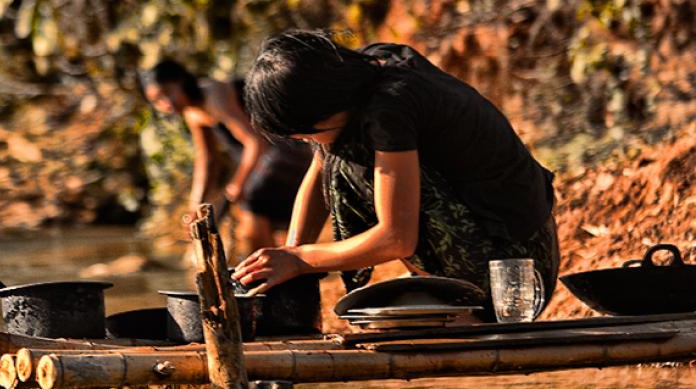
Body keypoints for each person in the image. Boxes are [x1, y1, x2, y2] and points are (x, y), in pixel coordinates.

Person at [231, 31, 560, 317]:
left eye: (304, 135)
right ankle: (441, 284)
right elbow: (320, 171)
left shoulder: (388, 109)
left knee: (349, 162)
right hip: (506, 248)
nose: (307, 143)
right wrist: (287, 261)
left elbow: (396, 238)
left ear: (321, 108)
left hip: (514, 273)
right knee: (338, 155)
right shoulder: (364, 72)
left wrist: (302, 260)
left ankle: (462, 297)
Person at [141, 59, 314, 254]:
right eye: (157, 101)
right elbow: (207, 160)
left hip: (286, 151)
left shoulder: (214, 94)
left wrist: (237, 183)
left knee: (252, 200)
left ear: (181, 82)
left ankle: (274, 266)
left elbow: (255, 142)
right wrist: (195, 207)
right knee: (249, 210)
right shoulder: (192, 113)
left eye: (168, 92)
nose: (167, 103)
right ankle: (271, 266)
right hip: (262, 159)